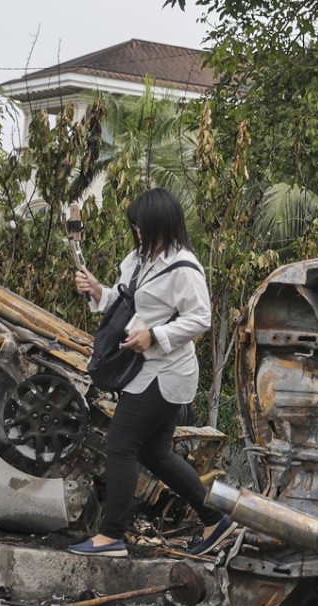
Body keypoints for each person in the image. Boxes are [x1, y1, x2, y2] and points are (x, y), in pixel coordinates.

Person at [68, 188, 237, 558]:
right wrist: (99, 291)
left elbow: (200, 318)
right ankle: (215, 519)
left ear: (162, 223)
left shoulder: (184, 267)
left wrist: (154, 336)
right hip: (143, 371)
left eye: (142, 225)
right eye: (134, 226)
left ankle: (111, 536)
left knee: (120, 445)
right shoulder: (139, 259)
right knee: (154, 452)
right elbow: (127, 301)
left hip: (167, 373)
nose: (138, 232)